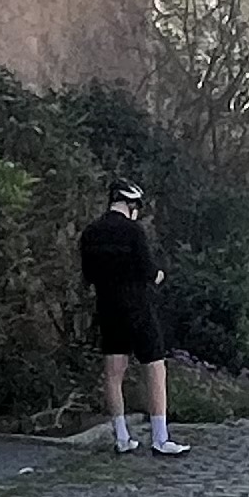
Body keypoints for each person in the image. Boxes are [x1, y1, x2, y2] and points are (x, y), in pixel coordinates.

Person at [78, 181, 188, 458]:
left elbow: (88, 275)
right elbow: (147, 270)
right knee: (155, 366)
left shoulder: (90, 233)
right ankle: (160, 437)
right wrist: (159, 275)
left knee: (113, 373)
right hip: (137, 307)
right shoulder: (133, 231)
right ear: (132, 205)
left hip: (107, 307)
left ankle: (122, 436)